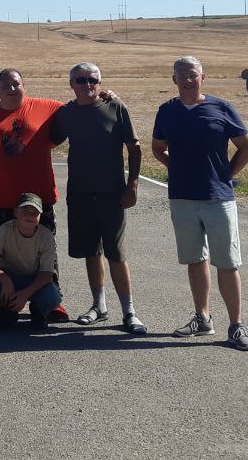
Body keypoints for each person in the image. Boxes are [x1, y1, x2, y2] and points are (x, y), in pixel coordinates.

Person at [152, 56, 248, 352]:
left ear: (202, 78)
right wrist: (177, 169)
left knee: (227, 262)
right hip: (182, 198)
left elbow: (247, 148)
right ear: (174, 79)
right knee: (195, 259)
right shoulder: (167, 111)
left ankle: (236, 326)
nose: (188, 80)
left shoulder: (221, 108)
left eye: (193, 75)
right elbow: (158, 149)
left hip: (218, 198)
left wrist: (225, 175)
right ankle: (202, 318)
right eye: (182, 75)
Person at [0, 68, 67, 320]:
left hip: (38, 201)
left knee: (45, 253)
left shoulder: (47, 108)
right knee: (2, 256)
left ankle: (49, 303)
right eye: (5, 85)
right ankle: (8, 304)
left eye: (16, 84)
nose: (11, 89)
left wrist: (106, 96)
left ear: (24, 85)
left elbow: (78, 109)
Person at [52, 62, 146, 334]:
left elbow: (134, 147)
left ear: (100, 83)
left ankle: (129, 312)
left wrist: (133, 184)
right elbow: (47, 139)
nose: (87, 85)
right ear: (71, 84)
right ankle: (99, 306)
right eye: (81, 80)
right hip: (80, 193)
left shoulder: (115, 107)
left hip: (112, 193)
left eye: (92, 80)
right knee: (91, 252)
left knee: (116, 253)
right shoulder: (67, 113)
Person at [0, 193, 63, 330]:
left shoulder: (46, 237)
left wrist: (26, 293)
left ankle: (38, 310)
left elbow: (47, 274)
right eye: (25, 211)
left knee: (53, 297)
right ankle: (8, 309)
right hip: (9, 278)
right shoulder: (5, 230)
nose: (30, 216)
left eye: (35, 212)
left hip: (33, 280)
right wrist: (4, 279)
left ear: (40, 216)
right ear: (15, 212)